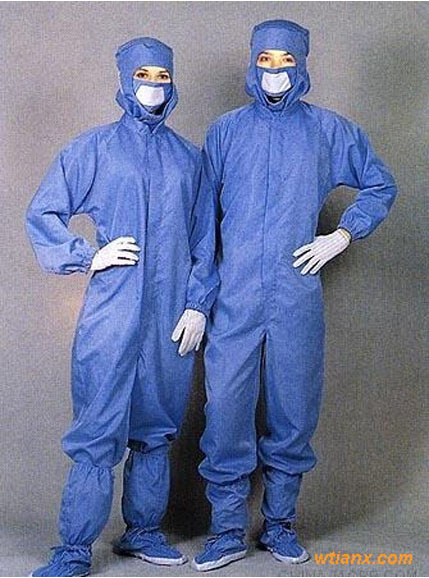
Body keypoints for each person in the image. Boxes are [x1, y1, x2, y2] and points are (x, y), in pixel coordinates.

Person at [193, 19, 397, 571]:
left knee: (293, 408)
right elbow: (203, 227)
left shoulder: (328, 131)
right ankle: (226, 531)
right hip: (234, 298)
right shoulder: (225, 133)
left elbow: (380, 183)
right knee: (225, 412)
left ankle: (280, 525)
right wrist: (198, 299)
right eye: (266, 60)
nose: (276, 71)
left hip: (294, 295)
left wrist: (342, 235)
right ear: (252, 62)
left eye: (286, 61)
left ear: (302, 65)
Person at [26, 36, 218, 577]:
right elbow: (43, 213)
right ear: (124, 81)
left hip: (169, 314)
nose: (153, 85)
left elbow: (205, 241)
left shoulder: (190, 159)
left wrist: (198, 305)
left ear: (172, 82)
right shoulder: (94, 149)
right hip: (111, 311)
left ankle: (143, 532)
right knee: (97, 429)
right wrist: (88, 256)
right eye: (143, 75)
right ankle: (73, 549)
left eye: (162, 75)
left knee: (156, 427)